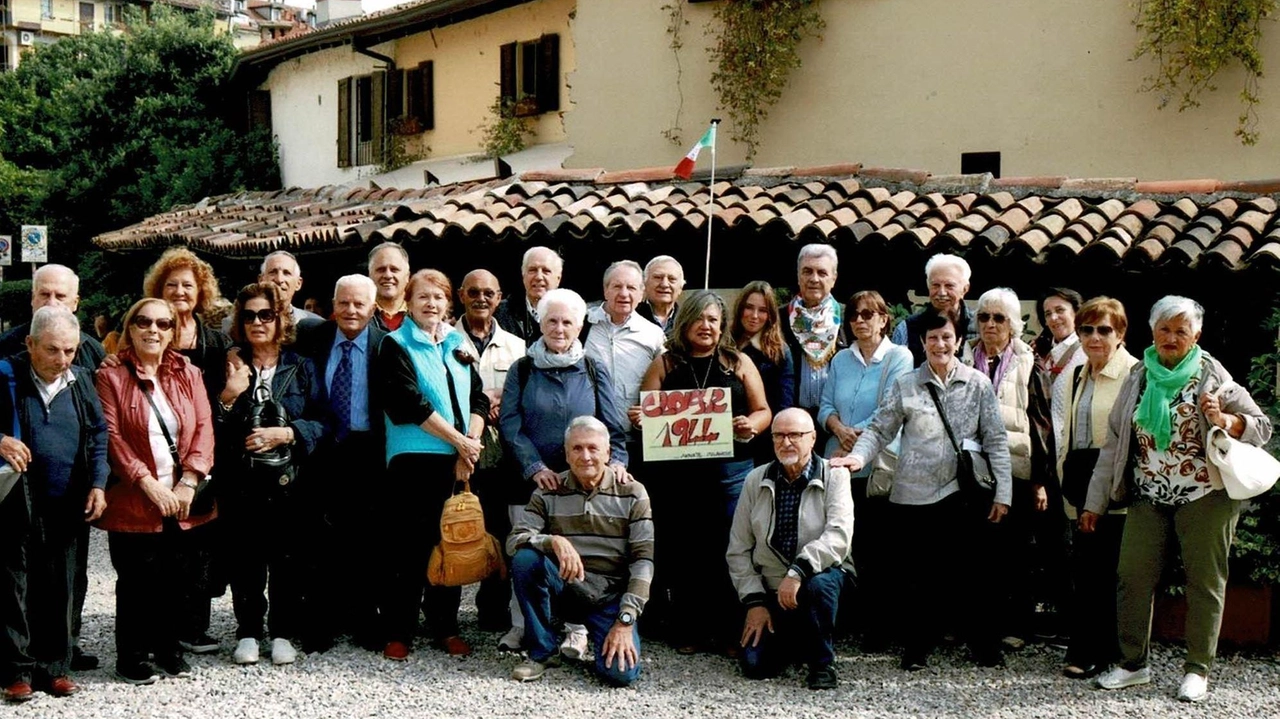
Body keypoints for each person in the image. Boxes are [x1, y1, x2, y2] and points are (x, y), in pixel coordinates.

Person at [1083, 296, 1271, 703]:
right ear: (1152, 332)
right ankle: (1133, 664)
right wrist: (1093, 504)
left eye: (1180, 331)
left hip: (1206, 495)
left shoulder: (1212, 374)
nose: (1170, 338)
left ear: (1196, 335)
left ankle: (1197, 669)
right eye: (1164, 329)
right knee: (1131, 577)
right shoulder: (1138, 376)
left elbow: (1261, 426)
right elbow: (1115, 443)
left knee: (1204, 583)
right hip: (1148, 493)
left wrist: (1225, 420)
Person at [833, 309, 1011, 670]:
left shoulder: (977, 384)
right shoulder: (906, 384)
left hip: (962, 494)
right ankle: (917, 646)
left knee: (972, 575)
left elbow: (995, 439)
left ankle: (983, 645)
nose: (940, 344)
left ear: (959, 341)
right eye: (933, 338)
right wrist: (858, 458)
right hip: (914, 495)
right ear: (922, 342)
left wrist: (1003, 492)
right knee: (917, 578)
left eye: (947, 337)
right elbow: (881, 429)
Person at [499, 288, 631, 657]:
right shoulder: (522, 369)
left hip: (584, 480)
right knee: (525, 551)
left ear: (579, 326)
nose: (559, 328)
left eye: (567, 322)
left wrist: (616, 464)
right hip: (532, 480)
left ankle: (577, 629)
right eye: (551, 321)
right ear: (540, 323)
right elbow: (511, 424)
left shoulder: (593, 368)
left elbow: (613, 425)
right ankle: (523, 627)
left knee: (582, 552)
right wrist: (534, 467)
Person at [639, 290, 772, 653]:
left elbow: (764, 411)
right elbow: (642, 411)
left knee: (730, 548)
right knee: (685, 549)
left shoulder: (738, 362)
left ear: (722, 325)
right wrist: (641, 417)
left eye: (713, 320)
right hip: (678, 478)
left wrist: (751, 424)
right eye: (699, 318)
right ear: (685, 323)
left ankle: (730, 629)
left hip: (730, 474)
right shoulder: (665, 364)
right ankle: (688, 628)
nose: (706, 326)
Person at [94, 298, 215, 685]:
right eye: (143, 322)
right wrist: (146, 482)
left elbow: (204, 428)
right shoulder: (110, 376)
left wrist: (189, 481)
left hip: (184, 498)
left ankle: (169, 650)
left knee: (178, 578)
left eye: (163, 324)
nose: (153, 330)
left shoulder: (189, 372)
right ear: (129, 328)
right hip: (134, 497)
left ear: (172, 331)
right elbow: (110, 435)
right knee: (136, 581)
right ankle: (132, 657)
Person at [376, 269, 489, 660]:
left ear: (447, 303)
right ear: (408, 302)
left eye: (438, 298)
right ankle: (399, 630)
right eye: (423, 297)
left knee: (451, 542)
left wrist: (468, 446)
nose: (431, 304)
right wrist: (459, 441)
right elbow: (409, 403)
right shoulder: (395, 344)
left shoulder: (459, 342)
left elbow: (478, 399)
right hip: (413, 460)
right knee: (408, 548)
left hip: (457, 459)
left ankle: (446, 626)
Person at [215, 283, 328, 667]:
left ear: (279, 319)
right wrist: (229, 396)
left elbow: (324, 420)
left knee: (287, 559)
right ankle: (247, 631)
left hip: (289, 482)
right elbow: (208, 426)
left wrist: (288, 433)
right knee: (244, 560)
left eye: (265, 315)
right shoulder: (228, 364)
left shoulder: (302, 364)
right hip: (241, 481)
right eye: (248, 316)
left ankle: (281, 631)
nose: (257, 322)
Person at [0, 307, 109, 703]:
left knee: (61, 587)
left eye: (70, 350)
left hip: (68, 501)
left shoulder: (80, 380)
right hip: (15, 503)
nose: (62, 359)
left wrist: (98, 483)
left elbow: (99, 433)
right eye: (52, 350)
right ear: (29, 344)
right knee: (13, 587)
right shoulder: (5, 375)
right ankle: (16, 671)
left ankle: (55, 668)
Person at [506, 416, 653, 686]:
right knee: (526, 559)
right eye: (577, 449)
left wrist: (625, 621)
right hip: (565, 589)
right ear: (566, 453)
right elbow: (514, 540)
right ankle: (542, 652)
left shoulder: (633, 493)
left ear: (608, 452)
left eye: (593, 448)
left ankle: (603, 635)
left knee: (620, 675)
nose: (585, 456)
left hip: (608, 596)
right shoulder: (548, 491)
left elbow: (643, 561)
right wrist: (554, 541)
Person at [726, 408, 854, 690]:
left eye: (795, 435)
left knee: (819, 585)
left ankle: (823, 664)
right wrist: (755, 602)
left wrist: (797, 572)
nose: (786, 442)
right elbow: (738, 549)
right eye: (779, 436)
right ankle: (795, 639)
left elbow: (839, 536)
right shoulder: (755, 479)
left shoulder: (836, 476)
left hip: (819, 577)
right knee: (757, 667)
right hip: (770, 587)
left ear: (812, 438)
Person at [816, 290, 911, 648]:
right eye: (854, 314)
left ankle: (881, 627)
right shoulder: (840, 359)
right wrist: (837, 428)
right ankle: (845, 620)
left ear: (884, 318)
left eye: (868, 314)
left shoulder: (899, 357)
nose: (860, 320)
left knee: (878, 548)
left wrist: (856, 438)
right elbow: (825, 404)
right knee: (842, 545)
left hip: (877, 464)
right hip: (837, 462)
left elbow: (891, 407)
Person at [297, 275, 387, 652]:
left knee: (366, 539)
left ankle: (366, 619)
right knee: (319, 540)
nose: (351, 311)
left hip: (368, 450)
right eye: (344, 303)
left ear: (373, 308)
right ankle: (321, 622)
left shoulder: (387, 344)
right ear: (334, 305)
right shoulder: (312, 336)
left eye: (359, 305)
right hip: (322, 445)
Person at [1057, 297, 1137, 680]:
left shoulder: (1135, 374)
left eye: (1103, 329)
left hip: (1116, 486)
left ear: (1120, 333)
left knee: (1110, 572)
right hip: (1079, 481)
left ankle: (1105, 652)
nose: (1094, 337)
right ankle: (1087, 646)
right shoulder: (1077, 374)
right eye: (1086, 329)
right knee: (1086, 569)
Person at [453, 269, 526, 646]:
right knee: (456, 527)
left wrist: (503, 403)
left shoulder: (517, 346)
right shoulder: (447, 339)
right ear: (461, 295)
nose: (481, 299)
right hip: (457, 449)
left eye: (489, 293)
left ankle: (492, 606)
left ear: (499, 298)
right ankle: (443, 613)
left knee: (498, 529)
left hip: (503, 453)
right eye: (474, 292)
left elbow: (525, 393)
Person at [965, 288, 1037, 646]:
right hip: (970, 468)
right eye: (983, 317)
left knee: (1015, 550)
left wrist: (1039, 477)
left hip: (1015, 464)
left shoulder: (1029, 360)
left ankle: (1016, 625)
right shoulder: (962, 357)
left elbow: (1040, 420)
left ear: (1013, 325)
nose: (990, 324)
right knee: (974, 551)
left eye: (999, 318)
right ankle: (976, 625)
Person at [1024, 287, 1085, 646]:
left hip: (1072, 460)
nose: (1054, 319)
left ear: (1076, 313)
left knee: (1069, 544)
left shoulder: (1083, 353)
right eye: (1047, 313)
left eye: (1060, 311)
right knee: (1050, 544)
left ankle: (1073, 622)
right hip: (1046, 460)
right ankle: (1059, 618)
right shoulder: (1041, 353)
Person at [582, 260, 665, 444]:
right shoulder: (582, 324)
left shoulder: (653, 334)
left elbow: (665, 384)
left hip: (634, 439)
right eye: (617, 286)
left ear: (642, 293)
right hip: (587, 437)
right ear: (605, 290)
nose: (624, 294)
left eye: (631, 288)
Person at [779, 245, 849, 450]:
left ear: (834, 279)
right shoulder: (779, 318)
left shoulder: (848, 317)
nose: (814, 279)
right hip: (790, 422)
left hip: (838, 423)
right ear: (798, 276)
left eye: (822, 272)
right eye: (807, 271)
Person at [730, 280, 794, 463]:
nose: (754, 316)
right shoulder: (724, 344)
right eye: (749, 308)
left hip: (766, 443)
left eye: (763, 310)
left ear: (771, 315)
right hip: (727, 444)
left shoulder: (780, 352)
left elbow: (784, 404)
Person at [0, 265, 106, 373]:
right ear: (33, 299)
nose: (51, 303)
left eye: (60, 296)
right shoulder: (5, 345)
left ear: (75, 303)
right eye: (44, 295)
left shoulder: (93, 352)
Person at [891, 254, 977, 366]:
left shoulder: (978, 326)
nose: (941, 292)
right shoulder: (907, 329)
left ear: (965, 289)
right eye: (935, 285)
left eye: (949, 286)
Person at [220, 251, 323, 337]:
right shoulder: (233, 324)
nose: (279, 279)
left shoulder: (318, 324)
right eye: (272, 272)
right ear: (261, 280)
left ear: (298, 283)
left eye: (286, 273)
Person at [495, 246, 563, 346]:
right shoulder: (500, 312)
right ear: (523, 276)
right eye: (532, 270)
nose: (539, 277)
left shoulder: (570, 314)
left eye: (546, 271)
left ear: (558, 279)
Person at [367, 242, 411, 331]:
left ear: (407, 276)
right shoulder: (353, 316)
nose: (387, 275)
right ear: (369, 276)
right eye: (381, 270)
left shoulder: (422, 314)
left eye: (394, 269)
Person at [637, 255, 685, 333]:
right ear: (644, 283)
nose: (664, 284)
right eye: (658, 277)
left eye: (671, 279)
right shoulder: (630, 316)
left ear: (680, 287)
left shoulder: (688, 321)